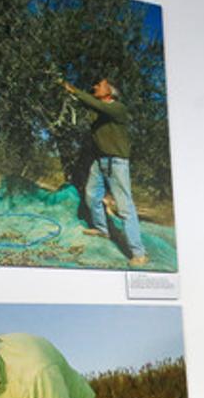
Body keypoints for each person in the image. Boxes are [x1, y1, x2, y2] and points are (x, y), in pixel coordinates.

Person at [62, 78, 148, 266]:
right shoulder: (99, 113)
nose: (94, 87)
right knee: (92, 196)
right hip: (100, 161)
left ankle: (138, 252)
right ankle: (102, 229)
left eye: (99, 85)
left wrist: (74, 91)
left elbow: (96, 105)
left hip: (117, 163)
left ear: (110, 92)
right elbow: (92, 106)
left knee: (124, 207)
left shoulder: (118, 108)